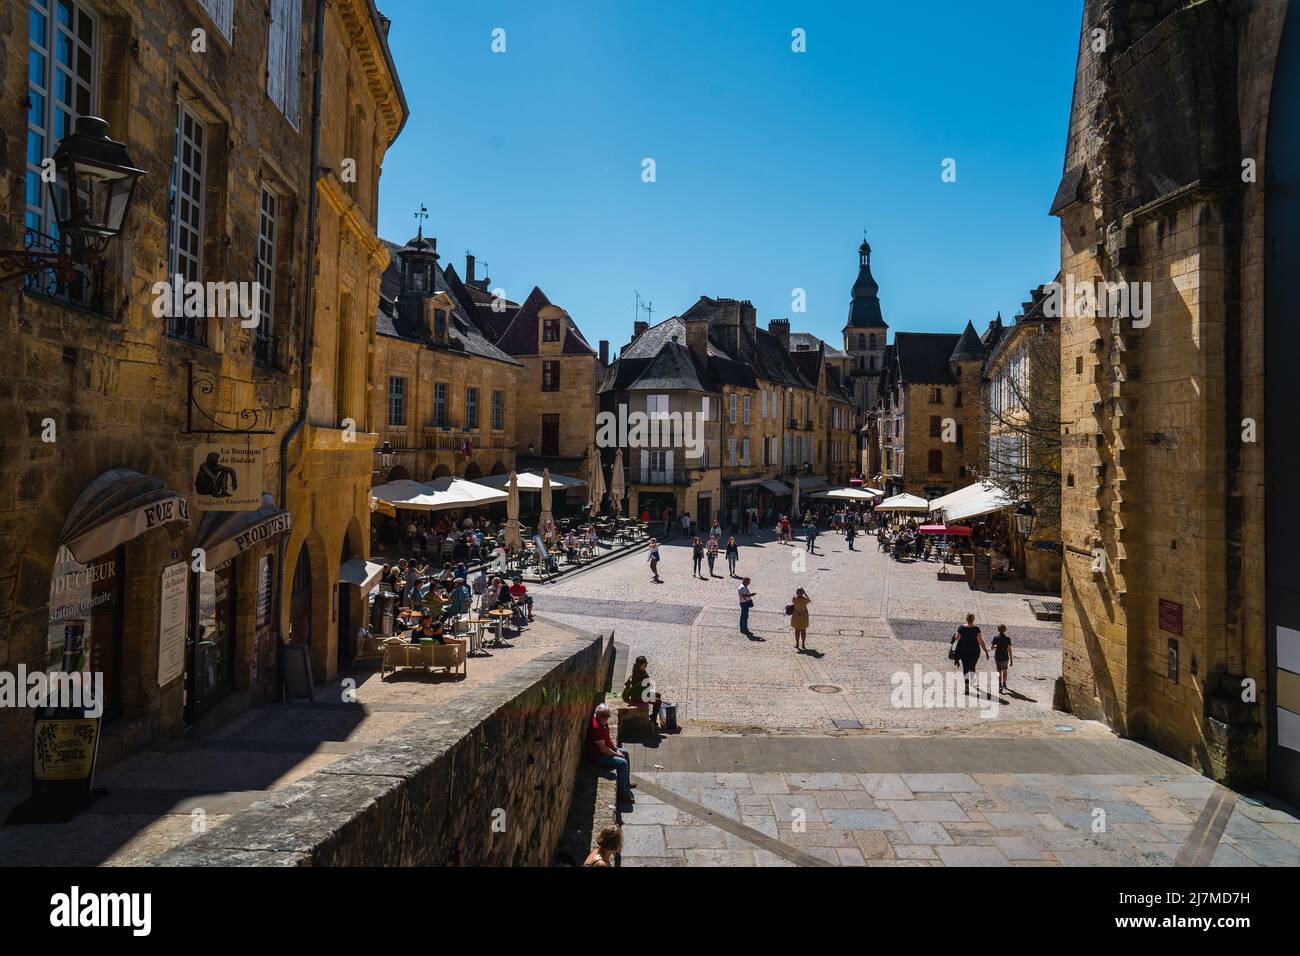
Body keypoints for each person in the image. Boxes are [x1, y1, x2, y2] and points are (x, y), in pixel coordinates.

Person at [587, 703, 634, 803]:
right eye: (603, 716)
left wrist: (615, 749)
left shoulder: (603, 723)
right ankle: (622, 793)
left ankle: (626, 783)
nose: (606, 718)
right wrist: (616, 754)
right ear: (597, 714)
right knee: (622, 763)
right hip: (598, 757)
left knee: (625, 752)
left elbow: (608, 739)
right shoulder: (596, 727)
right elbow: (603, 749)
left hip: (605, 752)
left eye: (607, 716)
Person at [949, 612, 989, 697]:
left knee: (966, 667)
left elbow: (957, 638)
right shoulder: (976, 629)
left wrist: (955, 635)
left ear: (966, 619)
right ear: (973, 619)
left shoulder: (961, 628)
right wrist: (985, 650)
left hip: (964, 651)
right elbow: (980, 641)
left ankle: (967, 686)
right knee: (972, 666)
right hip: (974, 651)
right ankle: (973, 682)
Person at [621, 655, 662, 727]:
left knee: (658, 695)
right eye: (645, 664)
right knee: (658, 701)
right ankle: (653, 719)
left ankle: (653, 716)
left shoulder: (641, 670)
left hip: (642, 693)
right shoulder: (637, 674)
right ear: (641, 664)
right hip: (638, 696)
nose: (646, 666)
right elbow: (644, 686)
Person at [990, 624, 1013, 693]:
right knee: (1005, 670)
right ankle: (1004, 683)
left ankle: (1000, 685)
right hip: (1005, 656)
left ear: (998, 630)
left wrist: (997, 647)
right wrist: (1011, 659)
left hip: (998, 656)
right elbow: (1009, 649)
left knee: (999, 671)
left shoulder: (995, 638)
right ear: (1005, 630)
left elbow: (991, 647)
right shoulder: (1008, 639)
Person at [790, 587, 811, 652]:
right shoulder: (805, 600)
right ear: (802, 593)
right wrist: (805, 593)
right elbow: (809, 599)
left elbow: (793, 600)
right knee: (803, 631)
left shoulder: (794, 599)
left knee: (797, 631)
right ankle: (803, 644)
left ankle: (797, 644)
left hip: (796, 617)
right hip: (804, 617)